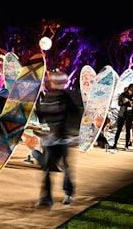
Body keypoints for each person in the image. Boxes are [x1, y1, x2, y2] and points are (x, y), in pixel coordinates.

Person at [32, 71, 80, 209]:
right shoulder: (47, 97)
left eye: (50, 81)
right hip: (50, 140)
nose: (47, 82)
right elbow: (42, 115)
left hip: (62, 140)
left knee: (66, 168)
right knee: (47, 169)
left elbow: (75, 113)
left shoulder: (65, 97)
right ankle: (46, 198)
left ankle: (68, 193)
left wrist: (66, 130)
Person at [111, 83, 133, 151]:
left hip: (129, 115)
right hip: (122, 114)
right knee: (119, 129)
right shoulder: (123, 95)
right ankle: (115, 144)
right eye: (132, 88)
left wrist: (131, 104)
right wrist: (124, 102)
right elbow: (119, 103)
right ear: (129, 88)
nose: (132, 89)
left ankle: (126, 145)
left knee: (128, 130)